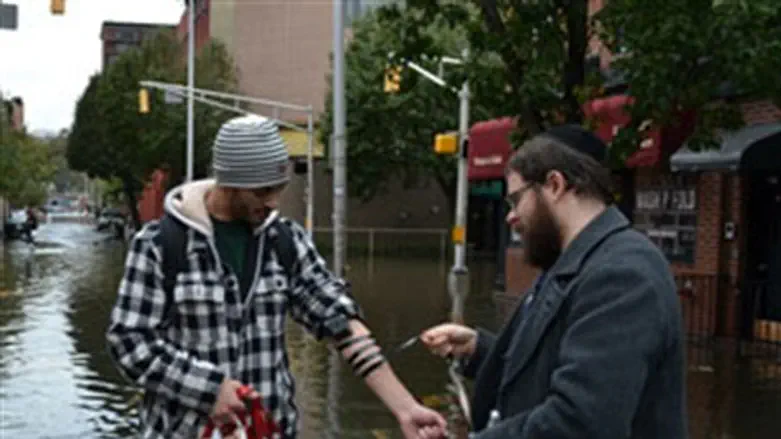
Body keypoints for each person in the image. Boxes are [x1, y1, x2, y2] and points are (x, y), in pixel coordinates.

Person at [106, 115, 447, 439]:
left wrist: (405, 408)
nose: (273, 202)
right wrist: (210, 390)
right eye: (261, 191)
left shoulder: (285, 242)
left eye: (278, 189)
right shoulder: (160, 246)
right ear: (230, 183)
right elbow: (129, 342)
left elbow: (340, 324)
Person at [420, 125, 687, 439]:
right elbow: (554, 361)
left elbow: (581, 422)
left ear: (555, 185)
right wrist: (479, 351)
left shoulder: (622, 273)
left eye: (516, 199)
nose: (511, 216)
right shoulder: (576, 260)